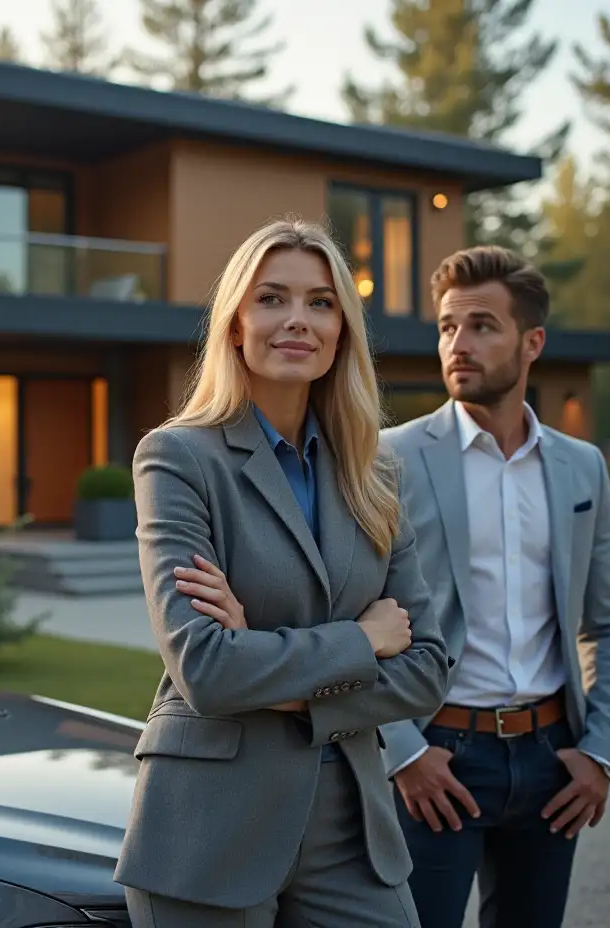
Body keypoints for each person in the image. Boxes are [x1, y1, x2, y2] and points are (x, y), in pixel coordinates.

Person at [113, 216, 451, 928]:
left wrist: (276, 678)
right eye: (271, 298)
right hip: (210, 826)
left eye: (320, 302)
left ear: (341, 332)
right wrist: (361, 640)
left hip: (351, 826)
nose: (297, 320)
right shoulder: (177, 459)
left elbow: (426, 666)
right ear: (235, 324)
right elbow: (206, 668)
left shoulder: (375, 472)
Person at [380, 245, 610, 928]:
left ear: (533, 343)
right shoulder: (389, 460)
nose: (457, 344)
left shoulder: (582, 467)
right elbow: (349, 614)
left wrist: (601, 753)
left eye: (482, 326)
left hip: (552, 758)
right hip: (440, 758)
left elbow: (609, 622)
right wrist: (403, 752)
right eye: (446, 326)